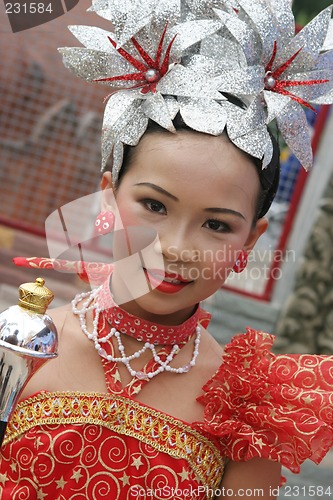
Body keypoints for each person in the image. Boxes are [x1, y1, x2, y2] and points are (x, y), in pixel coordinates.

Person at [1, 0, 333, 498]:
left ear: (250, 241)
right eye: (154, 205)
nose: (175, 248)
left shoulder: (249, 407)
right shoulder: (19, 344)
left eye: (217, 224)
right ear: (107, 198)